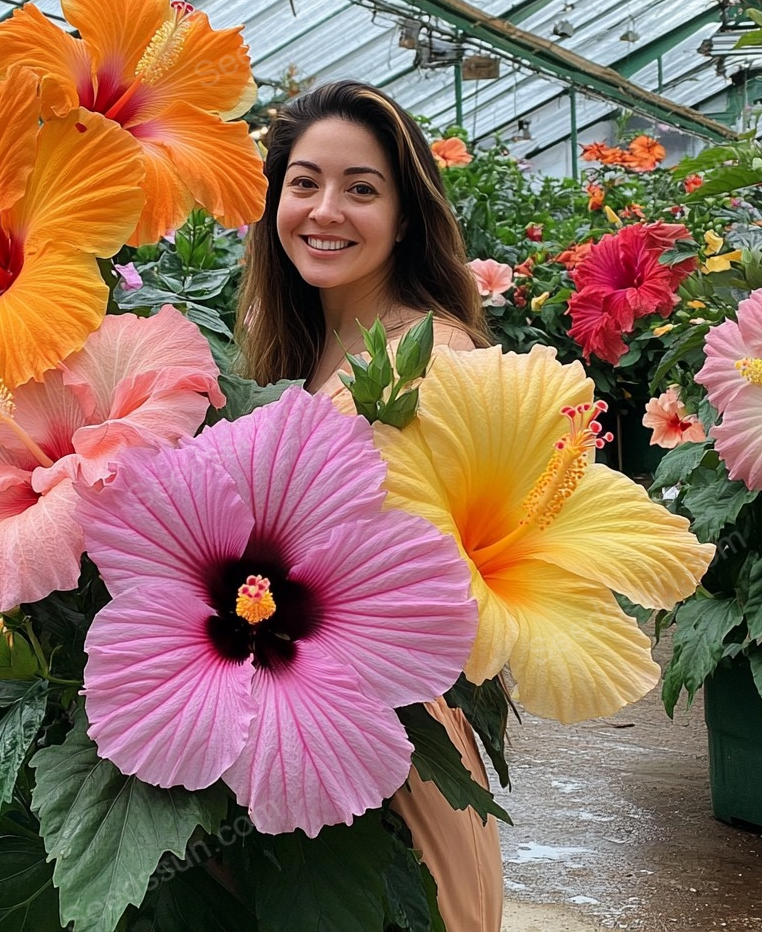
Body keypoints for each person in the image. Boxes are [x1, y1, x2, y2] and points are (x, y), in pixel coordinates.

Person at [236, 80, 503, 932]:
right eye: (304, 183)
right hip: (305, 716)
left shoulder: (435, 360)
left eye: (361, 188)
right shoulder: (299, 347)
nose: (326, 210)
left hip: (386, 733)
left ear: (405, 216)